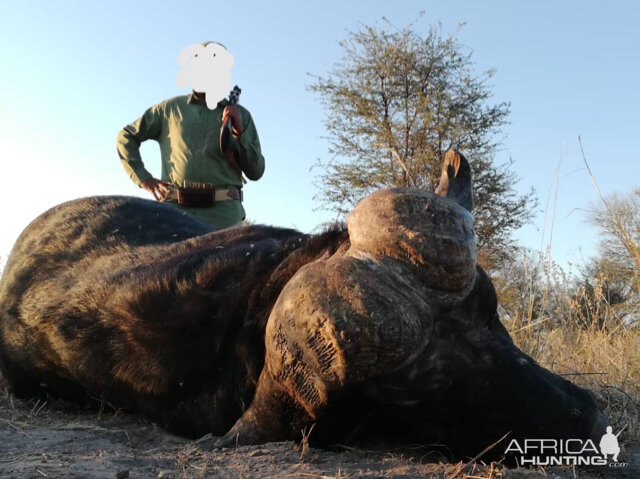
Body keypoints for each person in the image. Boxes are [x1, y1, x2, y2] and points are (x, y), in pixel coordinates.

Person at [116, 42, 264, 229]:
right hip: (174, 215)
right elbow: (126, 136)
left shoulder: (240, 114)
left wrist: (239, 131)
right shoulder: (169, 109)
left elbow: (256, 171)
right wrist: (145, 179)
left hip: (225, 219)